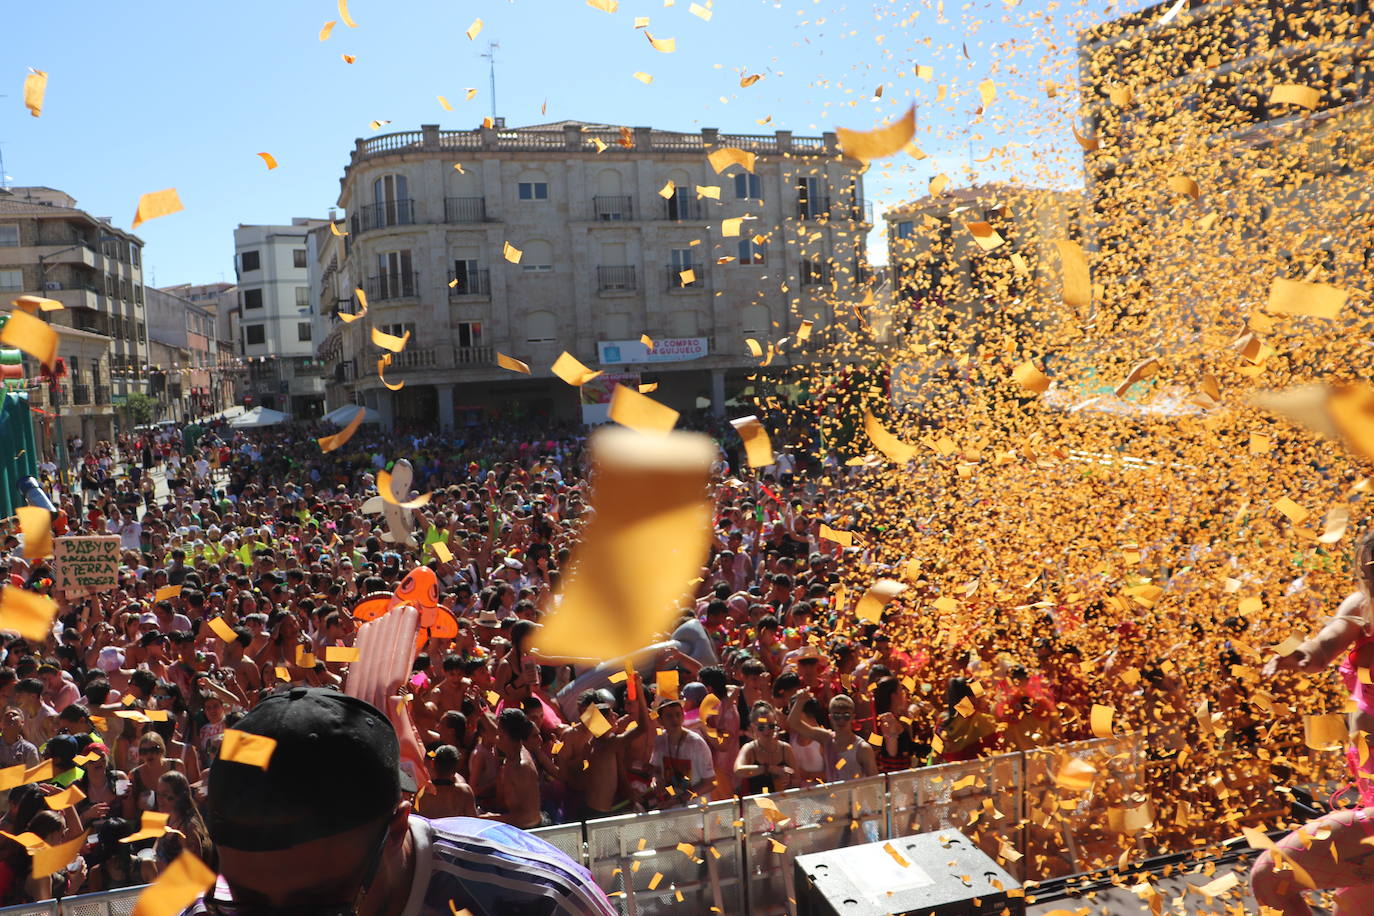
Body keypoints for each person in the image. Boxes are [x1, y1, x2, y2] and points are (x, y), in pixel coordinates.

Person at [184, 686, 614, 914]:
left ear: (395, 828)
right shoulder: (202, 910)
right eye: (246, 905)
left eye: (318, 906)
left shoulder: (540, 902)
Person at [1251, 531, 1374, 914]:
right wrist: (1301, 654)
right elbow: (1324, 644)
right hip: (1370, 787)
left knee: (1271, 875)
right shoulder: (1363, 607)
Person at [649, 696, 715, 805]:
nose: (675, 720)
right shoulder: (660, 740)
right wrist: (656, 780)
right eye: (669, 716)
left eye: (678, 715)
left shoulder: (696, 743)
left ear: (683, 717)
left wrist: (680, 799)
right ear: (660, 720)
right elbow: (655, 769)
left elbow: (710, 782)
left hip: (696, 810)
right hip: (671, 807)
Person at [734, 701, 797, 794]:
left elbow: (798, 779)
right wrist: (769, 769)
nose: (767, 731)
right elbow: (738, 770)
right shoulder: (750, 749)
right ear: (753, 727)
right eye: (761, 727)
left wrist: (789, 781)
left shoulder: (785, 748)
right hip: (758, 805)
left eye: (771, 726)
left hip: (783, 803)